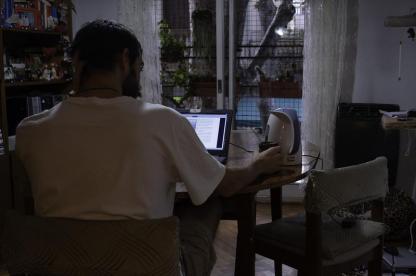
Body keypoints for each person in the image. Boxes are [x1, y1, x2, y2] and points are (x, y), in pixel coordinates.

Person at [15, 20, 282, 275]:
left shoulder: (30, 131)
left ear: (76, 62)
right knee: (207, 200)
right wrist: (258, 162)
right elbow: (225, 185)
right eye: (140, 68)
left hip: (60, 267)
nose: (139, 77)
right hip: (151, 268)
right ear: (124, 59)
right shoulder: (163, 121)